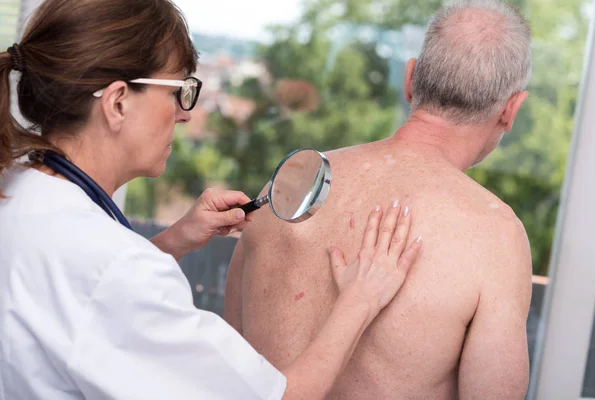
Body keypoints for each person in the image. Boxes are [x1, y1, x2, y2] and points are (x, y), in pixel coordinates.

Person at [0, 0, 424, 399]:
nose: (186, 114)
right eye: (177, 91)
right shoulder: (119, 269)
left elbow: (79, 298)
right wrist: (360, 300)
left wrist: (174, 241)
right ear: (117, 102)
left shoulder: (19, 190)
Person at [225, 0, 533, 399]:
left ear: (410, 80)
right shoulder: (495, 236)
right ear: (511, 109)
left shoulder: (290, 185)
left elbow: (228, 369)